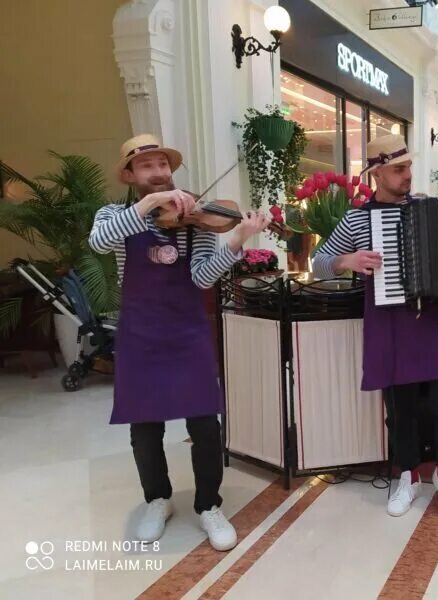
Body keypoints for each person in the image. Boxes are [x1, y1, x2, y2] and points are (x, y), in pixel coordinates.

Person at [311, 135, 438, 525]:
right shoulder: (357, 219)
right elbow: (318, 262)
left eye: (408, 167)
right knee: (400, 411)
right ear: (376, 174)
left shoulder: (433, 211)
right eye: (398, 169)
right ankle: (408, 476)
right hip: (390, 325)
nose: (408, 175)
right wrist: (347, 260)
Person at [89, 134, 270, 551]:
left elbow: (201, 278)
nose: (159, 173)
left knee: (205, 425)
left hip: (186, 330)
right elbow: (97, 242)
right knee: (144, 426)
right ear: (131, 175)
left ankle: (209, 504)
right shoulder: (114, 216)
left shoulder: (194, 220)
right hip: (139, 332)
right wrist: (149, 205)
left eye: (163, 165)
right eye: (148, 166)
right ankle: (157, 500)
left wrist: (238, 239)